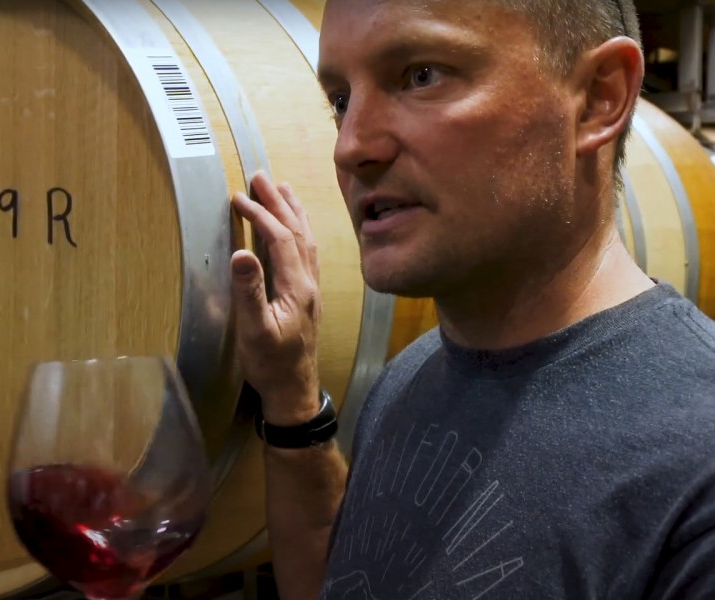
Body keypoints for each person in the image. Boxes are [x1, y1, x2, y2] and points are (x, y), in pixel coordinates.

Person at [229, 0, 715, 598]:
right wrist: (290, 396)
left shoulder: (697, 461)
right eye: (341, 100)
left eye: (421, 75)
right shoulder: (408, 381)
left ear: (597, 97)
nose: (351, 145)